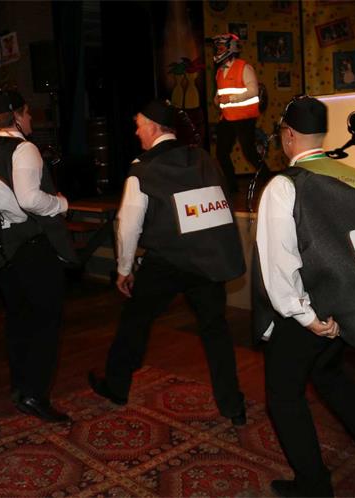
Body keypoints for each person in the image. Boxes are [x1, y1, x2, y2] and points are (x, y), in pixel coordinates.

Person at [252, 96, 355, 497]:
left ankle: (313, 486)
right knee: (329, 375)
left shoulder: (285, 186)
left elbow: (279, 262)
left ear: (288, 135)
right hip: (350, 308)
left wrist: (305, 317)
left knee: (283, 394)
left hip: (313, 312)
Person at [87, 100, 247, 426]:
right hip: (206, 260)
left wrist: (124, 269)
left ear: (153, 127)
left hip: (167, 261)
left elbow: (128, 224)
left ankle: (116, 387)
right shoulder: (203, 158)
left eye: (139, 125)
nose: (136, 132)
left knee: (135, 322)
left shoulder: (142, 168)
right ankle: (233, 407)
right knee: (215, 330)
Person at [0, 89, 78, 423]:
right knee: (47, 322)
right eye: (28, 112)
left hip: (4, 249)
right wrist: (61, 204)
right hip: (32, 248)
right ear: (18, 115)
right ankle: (36, 393)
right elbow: (29, 199)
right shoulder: (25, 148)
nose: (31, 118)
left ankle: (21, 389)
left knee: (19, 320)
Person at [212, 33, 268, 193]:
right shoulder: (219, 71)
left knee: (249, 152)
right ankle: (231, 186)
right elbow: (220, 94)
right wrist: (217, 100)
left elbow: (253, 90)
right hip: (227, 117)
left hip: (244, 117)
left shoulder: (244, 67)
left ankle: (269, 180)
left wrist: (231, 98)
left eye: (221, 47)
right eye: (217, 48)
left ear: (231, 48)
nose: (218, 50)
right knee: (221, 153)